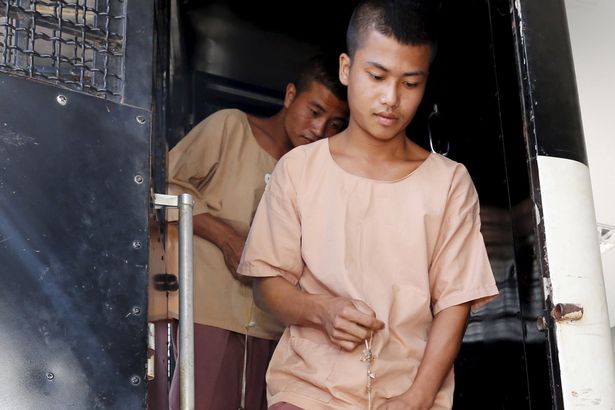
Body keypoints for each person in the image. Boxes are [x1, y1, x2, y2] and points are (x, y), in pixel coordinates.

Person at [237, 1, 499, 409]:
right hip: (309, 387)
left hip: (408, 392)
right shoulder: (299, 169)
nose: (391, 98)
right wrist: (321, 311)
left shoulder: (449, 182)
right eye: (376, 76)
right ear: (347, 69)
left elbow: (455, 301)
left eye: (410, 84)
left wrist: (419, 396)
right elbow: (267, 284)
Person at [165, 54, 349, 410]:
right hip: (206, 316)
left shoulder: (317, 176)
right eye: (314, 111)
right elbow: (164, 189)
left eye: (335, 123)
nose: (320, 129)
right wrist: (226, 237)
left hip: (272, 331)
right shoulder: (230, 127)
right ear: (290, 95)